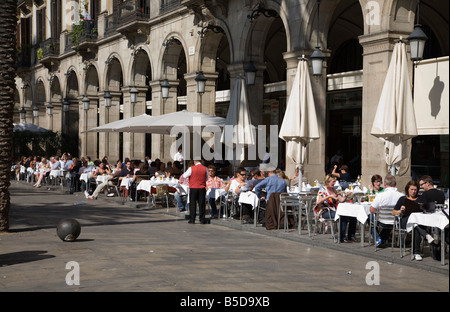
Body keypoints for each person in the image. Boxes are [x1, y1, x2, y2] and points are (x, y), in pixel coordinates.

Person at [393, 180, 433, 261]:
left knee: (415, 226)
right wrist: (400, 211)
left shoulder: (421, 198)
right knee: (414, 221)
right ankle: (425, 237)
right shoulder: (402, 199)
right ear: (407, 189)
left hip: (418, 222)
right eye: (412, 189)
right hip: (404, 221)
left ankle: (416, 253)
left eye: (415, 190)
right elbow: (393, 212)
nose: (413, 191)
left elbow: (427, 209)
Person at [416, 175, 446, 261]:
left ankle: (426, 237)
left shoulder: (425, 194)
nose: (421, 187)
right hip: (439, 221)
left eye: (422, 185)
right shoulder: (441, 194)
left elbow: (417, 206)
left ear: (428, 183)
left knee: (416, 224)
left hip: (428, 221)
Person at [369, 174, 403, 247]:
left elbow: (371, 209)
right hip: (396, 222)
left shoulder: (380, 196)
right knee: (390, 221)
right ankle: (382, 240)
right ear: (395, 184)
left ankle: (378, 239)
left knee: (370, 217)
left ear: (384, 184)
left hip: (382, 221)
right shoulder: (401, 196)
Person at [315, 175, 352, 242]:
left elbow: (341, 200)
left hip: (333, 209)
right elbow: (318, 202)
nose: (334, 183)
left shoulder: (333, 189)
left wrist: (346, 196)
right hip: (324, 211)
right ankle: (342, 237)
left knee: (346, 215)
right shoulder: (322, 189)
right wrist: (329, 196)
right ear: (328, 181)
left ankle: (345, 236)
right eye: (333, 182)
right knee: (340, 216)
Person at [183, 160, 208, 224]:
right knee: (202, 204)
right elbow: (207, 178)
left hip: (193, 187)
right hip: (202, 188)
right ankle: (202, 219)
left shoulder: (191, 168)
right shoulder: (205, 168)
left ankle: (192, 219)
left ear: (195, 161)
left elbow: (184, 176)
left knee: (193, 204)